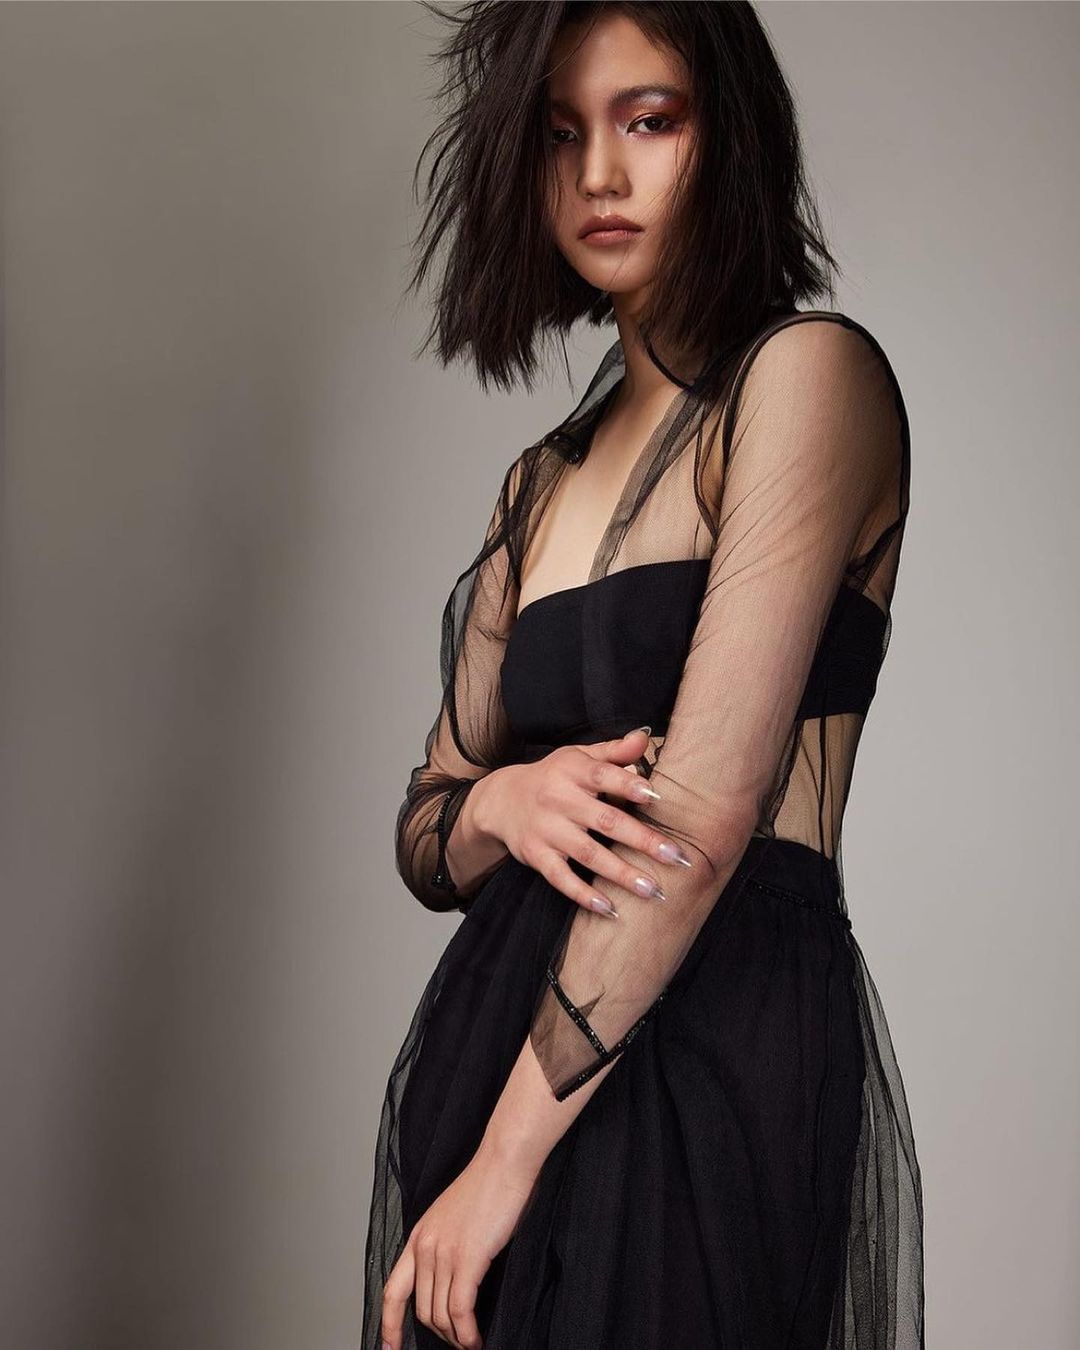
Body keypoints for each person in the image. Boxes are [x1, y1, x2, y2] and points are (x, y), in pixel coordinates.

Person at [362, 4, 925, 1348]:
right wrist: (506, 804)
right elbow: (429, 828)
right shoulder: (538, 483)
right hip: (498, 1035)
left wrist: (503, 1168)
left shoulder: (807, 377)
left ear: (729, 137)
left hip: (715, 1031)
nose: (600, 175)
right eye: (561, 135)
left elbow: (703, 813)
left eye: (649, 120)